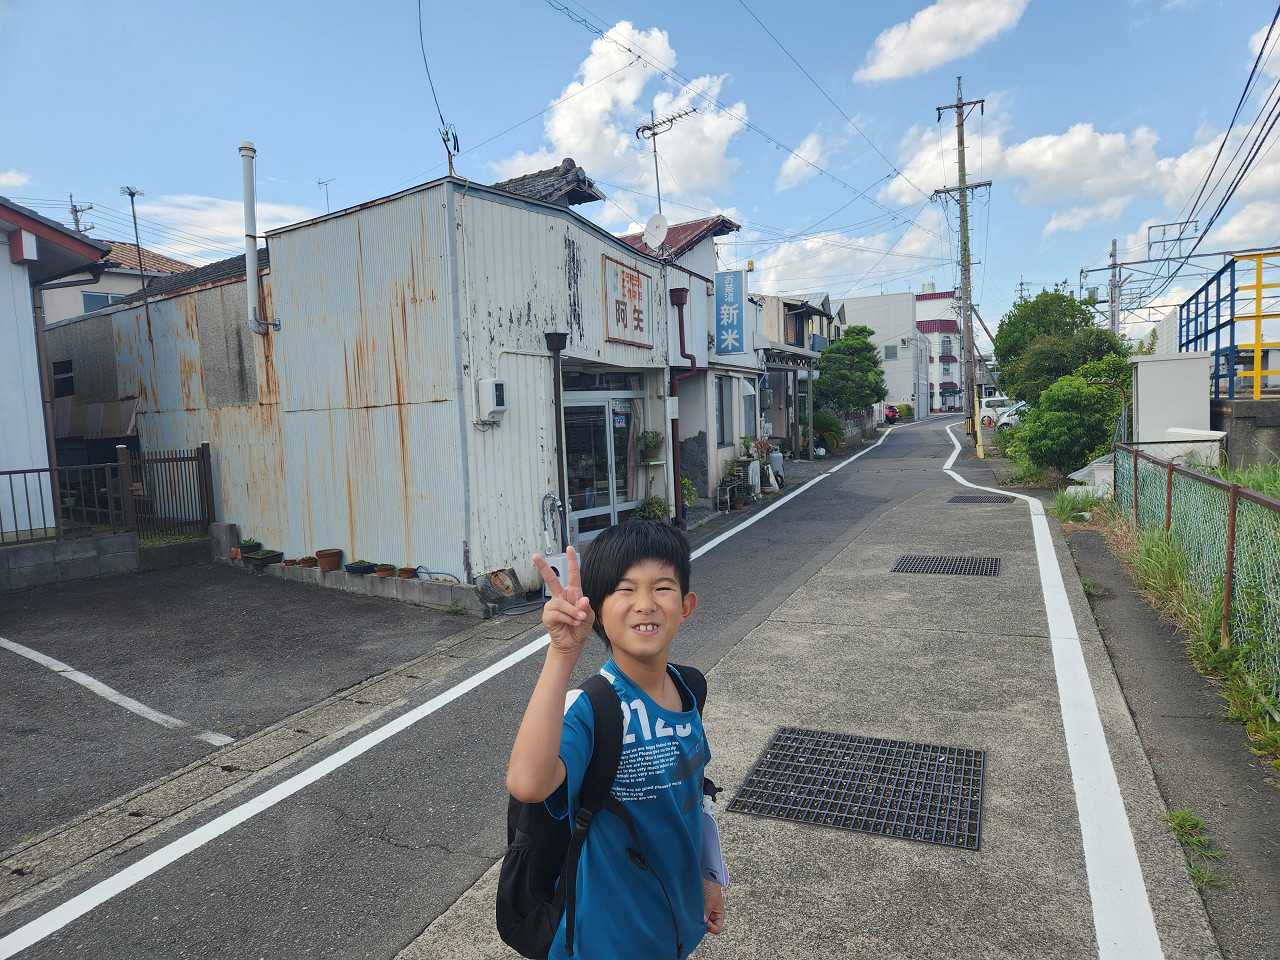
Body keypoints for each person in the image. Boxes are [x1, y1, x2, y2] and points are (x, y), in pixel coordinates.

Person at [506, 520, 725, 959]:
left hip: (675, 922)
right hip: (606, 939)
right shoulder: (593, 708)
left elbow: (692, 795)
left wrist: (709, 875)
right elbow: (528, 784)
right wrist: (562, 652)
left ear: (686, 605)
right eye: (625, 590)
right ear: (598, 611)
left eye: (662, 588)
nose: (645, 604)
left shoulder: (689, 687)